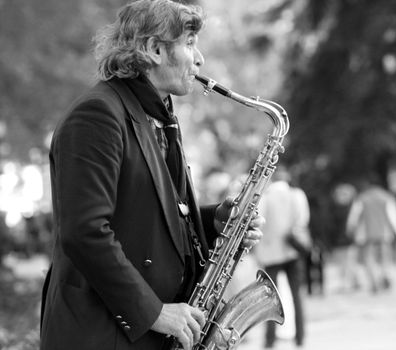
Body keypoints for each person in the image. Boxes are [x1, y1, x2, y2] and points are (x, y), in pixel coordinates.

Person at [39, 2, 264, 350]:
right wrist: (155, 312)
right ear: (154, 49)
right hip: (106, 336)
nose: (199, 58)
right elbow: (84, 232)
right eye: (189, 43)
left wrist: (216, 221)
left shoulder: (154, 116)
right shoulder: (97, 115)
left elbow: (147, 220)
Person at [255, 168, 311, 348]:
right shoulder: (297, 195)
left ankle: (269, 340)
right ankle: (300, 337)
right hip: (292, 251)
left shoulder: (266, 197)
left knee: (270, 300)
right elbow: (303, 220)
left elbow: (258, 222)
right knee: (297, 296)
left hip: (270, 253)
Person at [345, 176, 396, 293]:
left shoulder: (362, 198)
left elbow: (354, 216)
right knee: (385, 258)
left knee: (368, 259)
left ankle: (373, 282)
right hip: (384, 233)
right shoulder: (386, 197)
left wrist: (350, 229)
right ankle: (384, 275)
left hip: (366, 234)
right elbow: (393, 216)